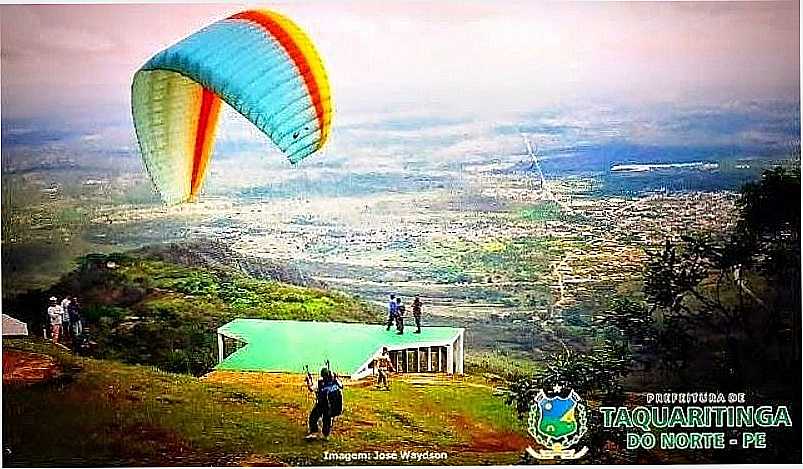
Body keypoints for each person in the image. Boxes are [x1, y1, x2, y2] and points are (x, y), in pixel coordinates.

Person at [305, 367, 342, 441]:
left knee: (313, 417)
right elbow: (341, 386)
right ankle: (326, 435)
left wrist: (308, 381)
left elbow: (311, 389)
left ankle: (314, 433)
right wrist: (336, 377)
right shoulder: (334, 380)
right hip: (330, 405)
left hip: (321, 403)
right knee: (327, 419)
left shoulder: (320, 383)